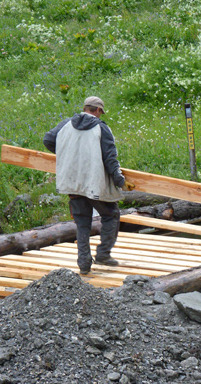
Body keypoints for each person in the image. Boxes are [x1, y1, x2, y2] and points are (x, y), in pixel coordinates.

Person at [43, 96, 134, 275]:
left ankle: (84, 263)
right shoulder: (101, 128)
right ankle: (103, 254)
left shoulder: (66, 124)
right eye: (101, 112)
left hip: (71, 182)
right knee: (111, 215)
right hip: (93, 182)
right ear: (98, 110)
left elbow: (48, 139)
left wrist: (66, 153)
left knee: (82, 222)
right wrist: (120, 181)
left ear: (85, 108)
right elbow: (110, 159)